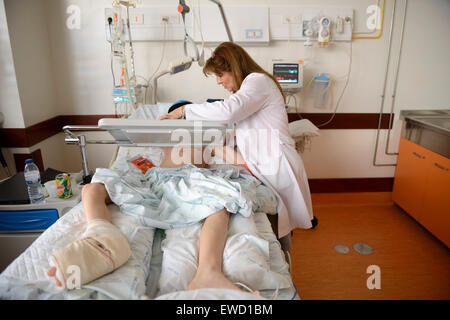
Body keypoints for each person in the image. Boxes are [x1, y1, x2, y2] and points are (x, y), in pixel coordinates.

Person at [158, 42, 315, 252]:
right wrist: (217, 141)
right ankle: (284, 253)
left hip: (275, 162)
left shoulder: (257, 81)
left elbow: (230, 111)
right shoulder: (249, 90)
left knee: (280, 225)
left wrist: (184, 110)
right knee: (280, 222)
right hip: (265, 160)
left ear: (234, 67)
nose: (219, 81)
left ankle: (285, 260)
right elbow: (245, 129)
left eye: (220, 74)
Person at [47, 144, 244, 292]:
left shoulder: (203, 142)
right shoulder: (157, 146)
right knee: (93, 187)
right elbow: (128, 171)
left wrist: (216, 147)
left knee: (220, 207)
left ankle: (208, 272)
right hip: (152, 180)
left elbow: (238, 162)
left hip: (188, 180)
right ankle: (101, 235)